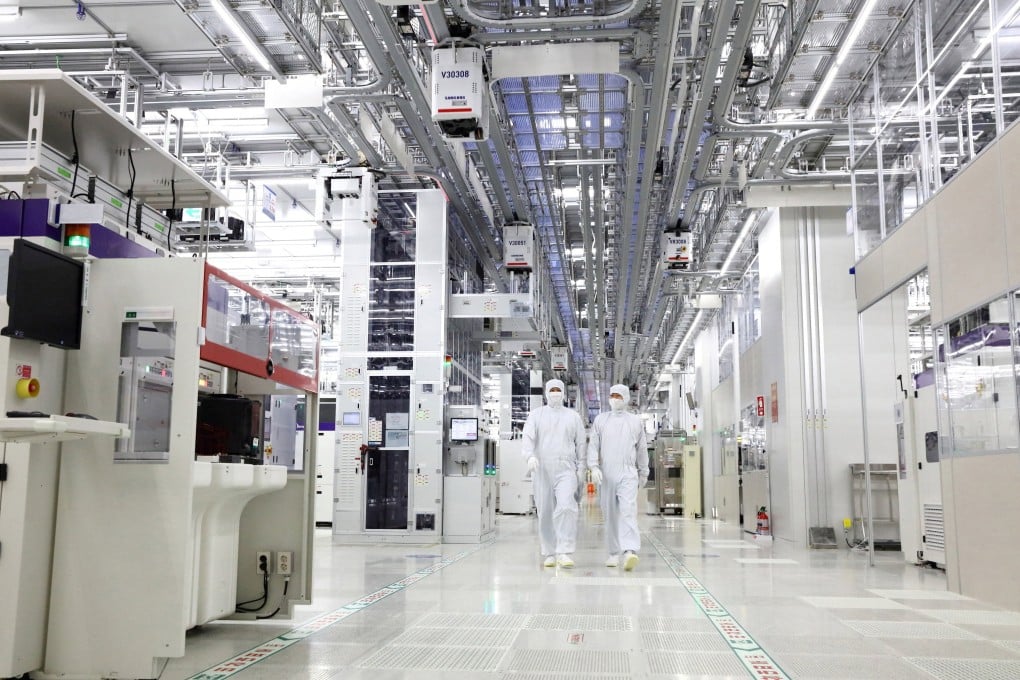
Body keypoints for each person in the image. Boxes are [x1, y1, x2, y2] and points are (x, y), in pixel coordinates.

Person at [523, 378, 586, 568]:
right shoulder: (536, 415)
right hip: (542, 468)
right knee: (545, 511)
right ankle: (549, 552)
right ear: (546, 393)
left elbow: (581, 443)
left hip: (566, 468)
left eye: (559, 390)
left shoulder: (573, 417)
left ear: (564, 392)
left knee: (566, 506)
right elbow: (527, 437)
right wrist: (529, 456)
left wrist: (581, 467)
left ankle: (564, 551)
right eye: (552, 390)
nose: (556, 393)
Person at [587, 384, 648, 571]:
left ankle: (629, 550)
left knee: (628, 510)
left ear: (626, 398)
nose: (615, 399)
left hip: (628, 472)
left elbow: (642, 449)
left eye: (619, 396)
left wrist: (644, 471)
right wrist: (593, 467)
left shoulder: (635, 422)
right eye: (612, 395)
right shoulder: (601, 420)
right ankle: (613, 553)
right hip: (606, 474)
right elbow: (593, 445)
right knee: (610, 514)